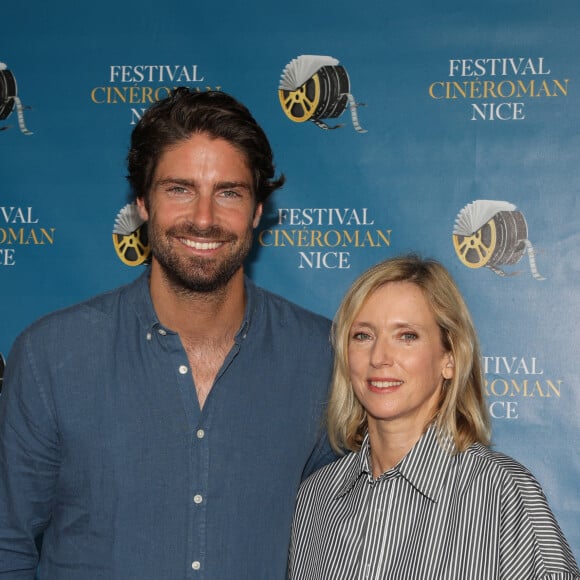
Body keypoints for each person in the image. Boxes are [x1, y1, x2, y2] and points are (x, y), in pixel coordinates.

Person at [0, 88, 335, 580]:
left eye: (229, 192)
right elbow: (8, 548)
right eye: (180, 189)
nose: (203, 218)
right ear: (142, 203)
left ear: (258, 210)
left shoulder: (323, 359)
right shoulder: (51, 357)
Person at [289, 255, 580, 579]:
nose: (380, 357)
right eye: (363, 336)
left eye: (407, 336)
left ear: (450, 359)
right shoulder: (315, 497)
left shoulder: (501, 492)